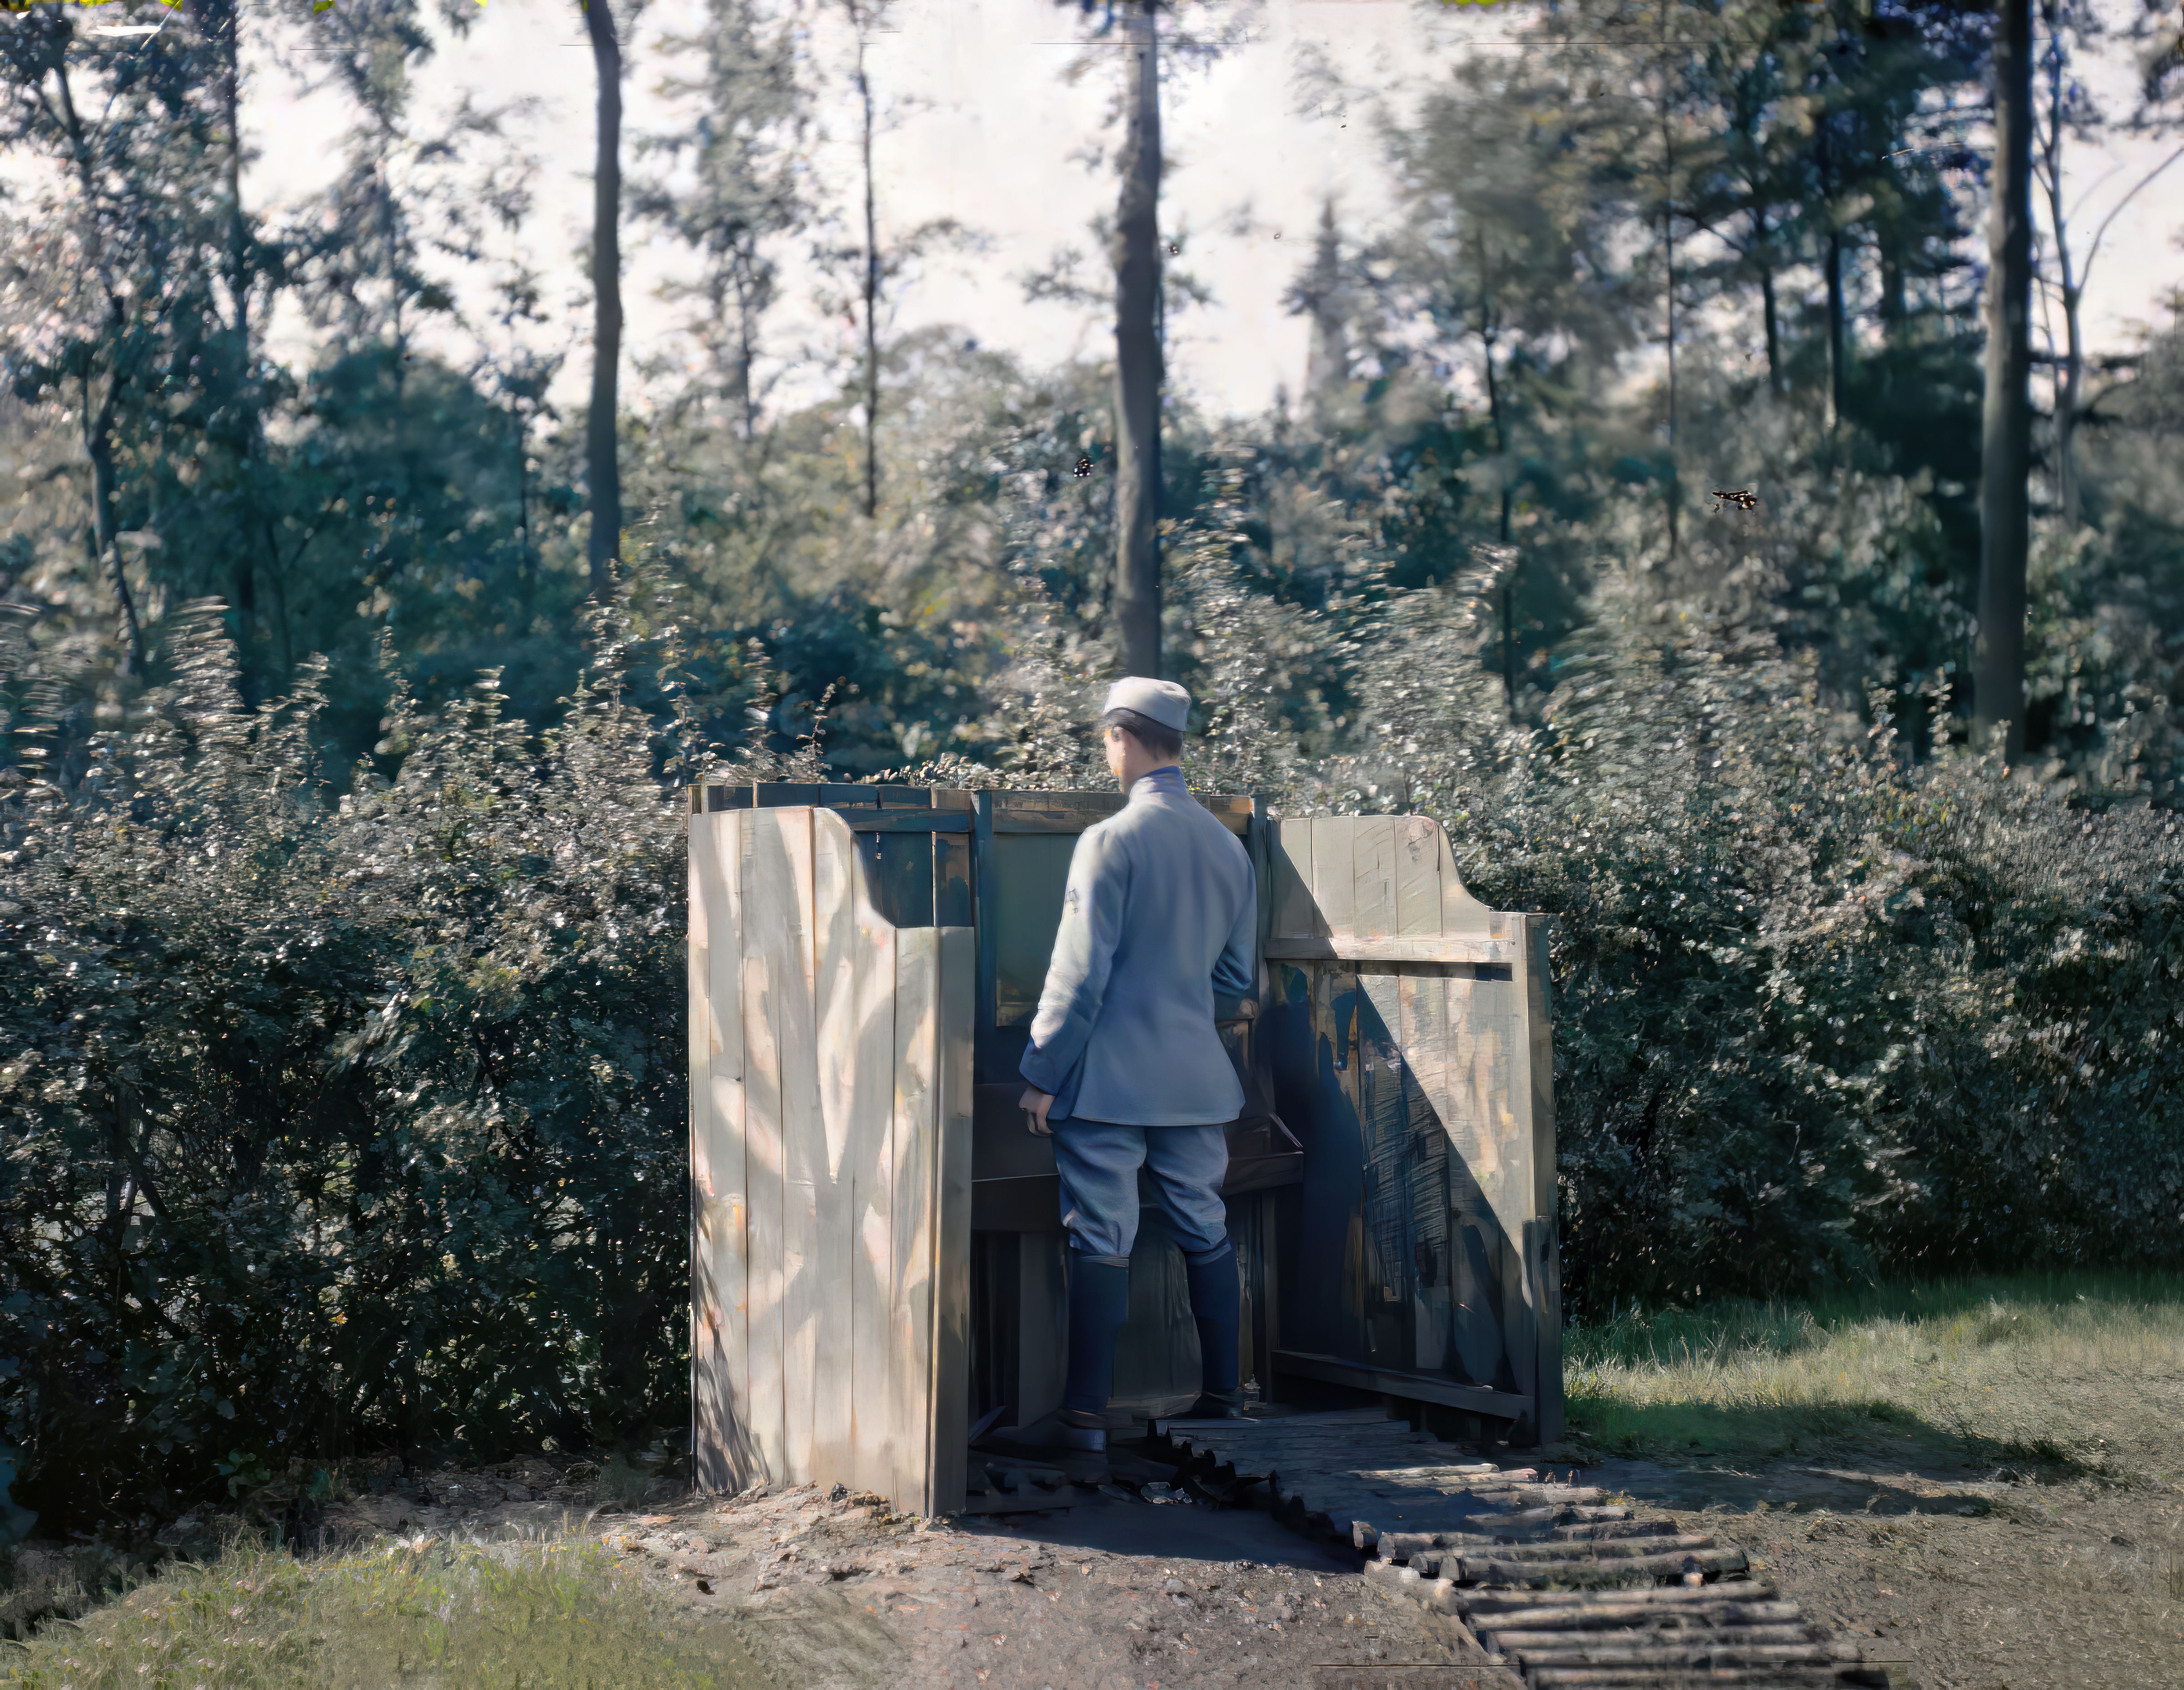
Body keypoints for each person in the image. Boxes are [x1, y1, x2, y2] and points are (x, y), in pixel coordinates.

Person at [1017, 677, 1257, 1452]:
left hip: (1108, 1084)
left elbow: (1078, 977)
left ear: (1123, 736)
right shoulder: (1228, 847)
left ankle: (1084, 1420)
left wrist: (1042, 1072)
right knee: (1205, 1227)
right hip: (1196, 1081)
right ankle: (1225, 1399)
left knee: (1102, 1235)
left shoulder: (1109, 842)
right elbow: (1233, 982)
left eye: (1105, 739)